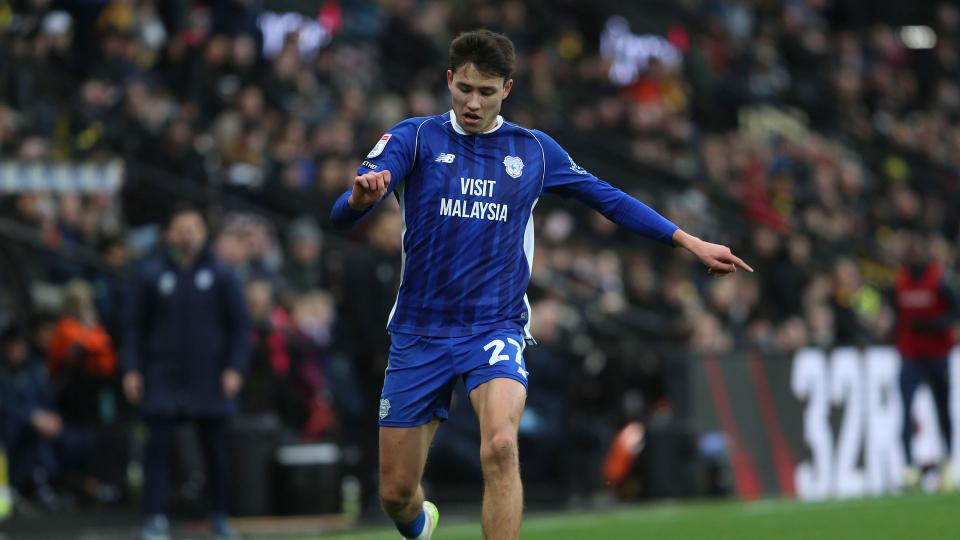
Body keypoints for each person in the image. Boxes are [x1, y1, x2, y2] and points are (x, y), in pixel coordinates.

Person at [330, 29, 751, 540]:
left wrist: (687, 241)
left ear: (507, 89)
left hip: (494, 325)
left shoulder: (531, 151)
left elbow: (607, 197)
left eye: (486, 92)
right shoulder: (415, 137)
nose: (472, 102)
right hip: (420, 331)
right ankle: (420, 524)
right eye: (464, 88)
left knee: (501, 446)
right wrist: (357, 201)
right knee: (395, 494)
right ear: (449, 81)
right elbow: (343, 212)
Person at [122, 205, 250, 540]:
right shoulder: (151, 274)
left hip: (209, 377)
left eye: (193, 227)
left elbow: (239, 327)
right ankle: (154, 518)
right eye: (181, 228)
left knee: (215, 453)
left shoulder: (222, 275)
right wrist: (132, 369)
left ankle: (219, 516)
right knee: (158, 451)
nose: (187, 234)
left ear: (204, 233)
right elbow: (134, 328)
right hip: (163, 376)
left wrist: (234, 368)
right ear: (169, 234)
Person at [893, 231, 957, 490]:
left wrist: (934, 325)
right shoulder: (902, 281)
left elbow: (956, 310)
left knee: (942, 409)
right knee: (906, 410)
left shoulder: (939, 280)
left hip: (937, 355)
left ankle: (949, 462)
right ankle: (909, 467)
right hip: (910, 355)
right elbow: (896, 313)